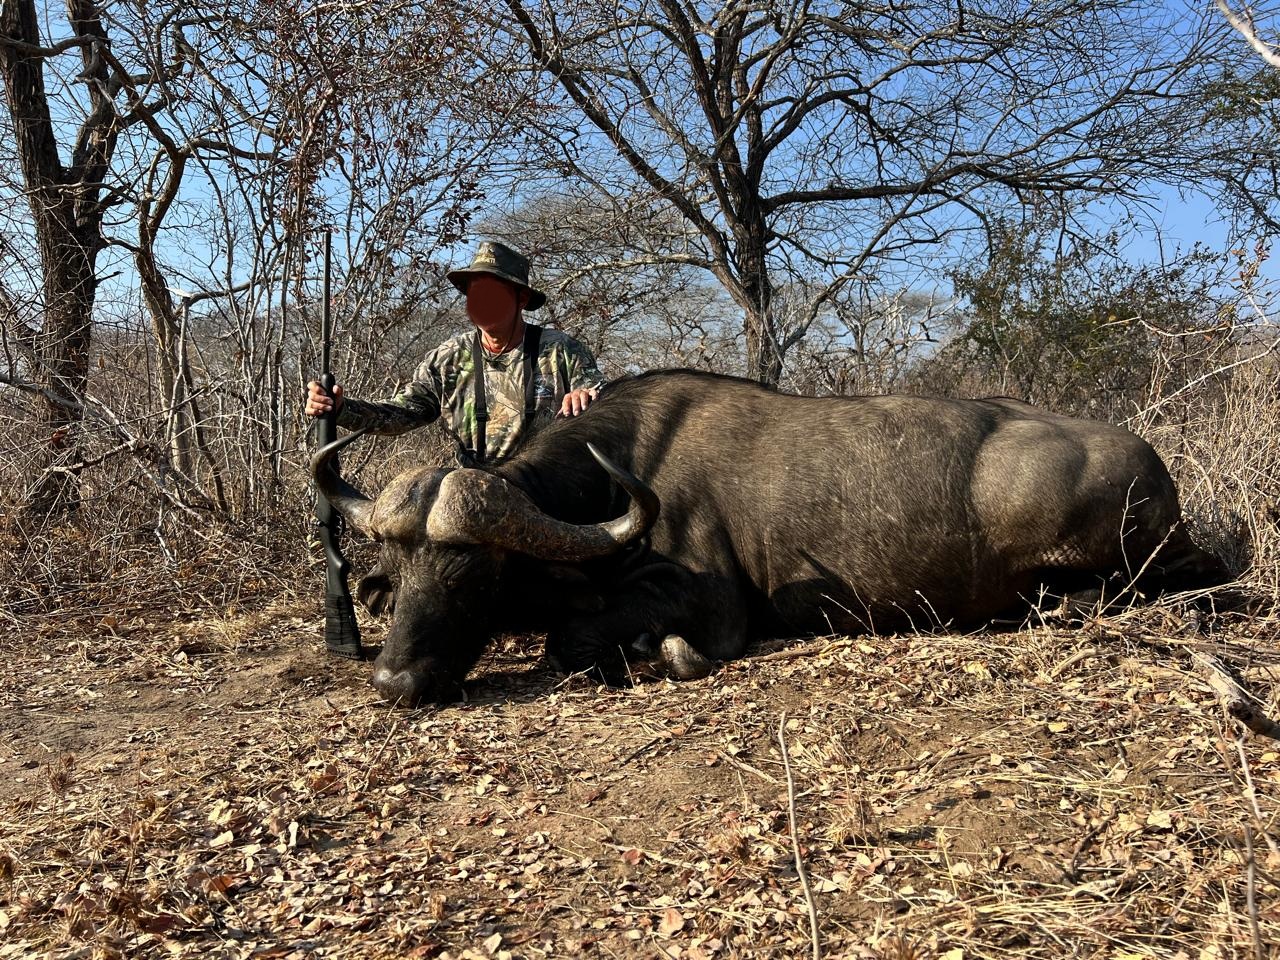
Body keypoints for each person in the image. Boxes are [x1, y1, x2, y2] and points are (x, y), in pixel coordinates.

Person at [305, 240, 604, 464]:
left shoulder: (562, 350)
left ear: (521, 298)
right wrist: (342, 408)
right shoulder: (446, 358)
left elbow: (603, 402)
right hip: (473, 496)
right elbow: (403, 413)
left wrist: (587, 398)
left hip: (547, 494)